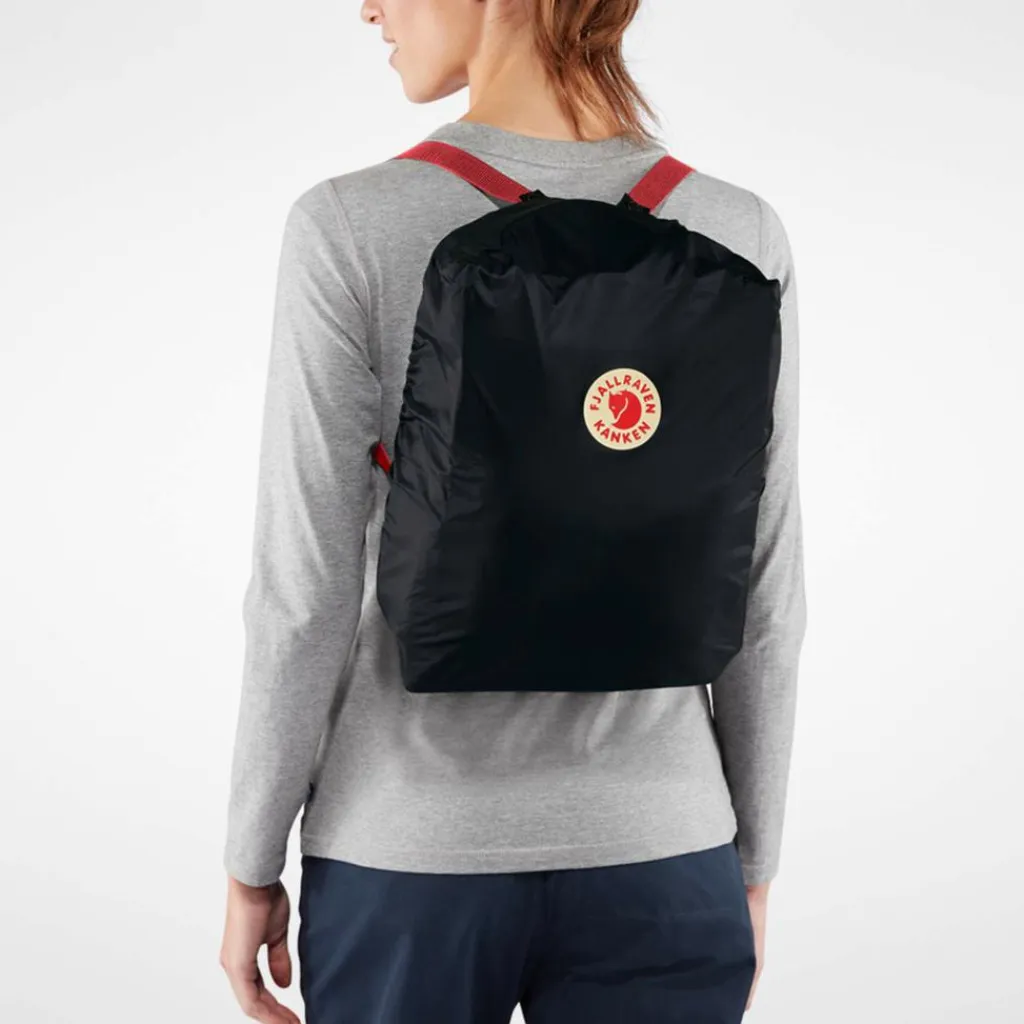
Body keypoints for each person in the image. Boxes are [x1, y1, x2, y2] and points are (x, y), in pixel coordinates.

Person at [218, 1, 807, 1022]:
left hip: (407, 860)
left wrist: (250, 860)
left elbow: (302, 596)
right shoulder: (739, 230)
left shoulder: (350, 224)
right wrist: (749, 861)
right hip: (668, 858)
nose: (367, 6)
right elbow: (766, 591)